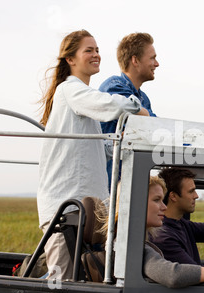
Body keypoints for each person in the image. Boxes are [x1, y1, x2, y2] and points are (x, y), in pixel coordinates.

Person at [37, 30, 149, 280]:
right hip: (65, 208)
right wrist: (136, 108)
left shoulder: (81, 99)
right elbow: (108, 104)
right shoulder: (71, 90)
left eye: (97, 50)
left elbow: (99, 149)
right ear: (71, 59)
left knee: (88, 278)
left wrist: (123, 147)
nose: (96, 54)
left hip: (85, 208)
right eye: (89, 50)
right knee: (61, 285)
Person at [99, 32, 159, 189]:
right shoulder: (114, 86)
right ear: (135, 60)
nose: (157, 63)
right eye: (152, 58)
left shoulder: (143, 98)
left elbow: (155, 128)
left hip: (131, 181)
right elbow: (151, 125)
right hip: (110, 186)